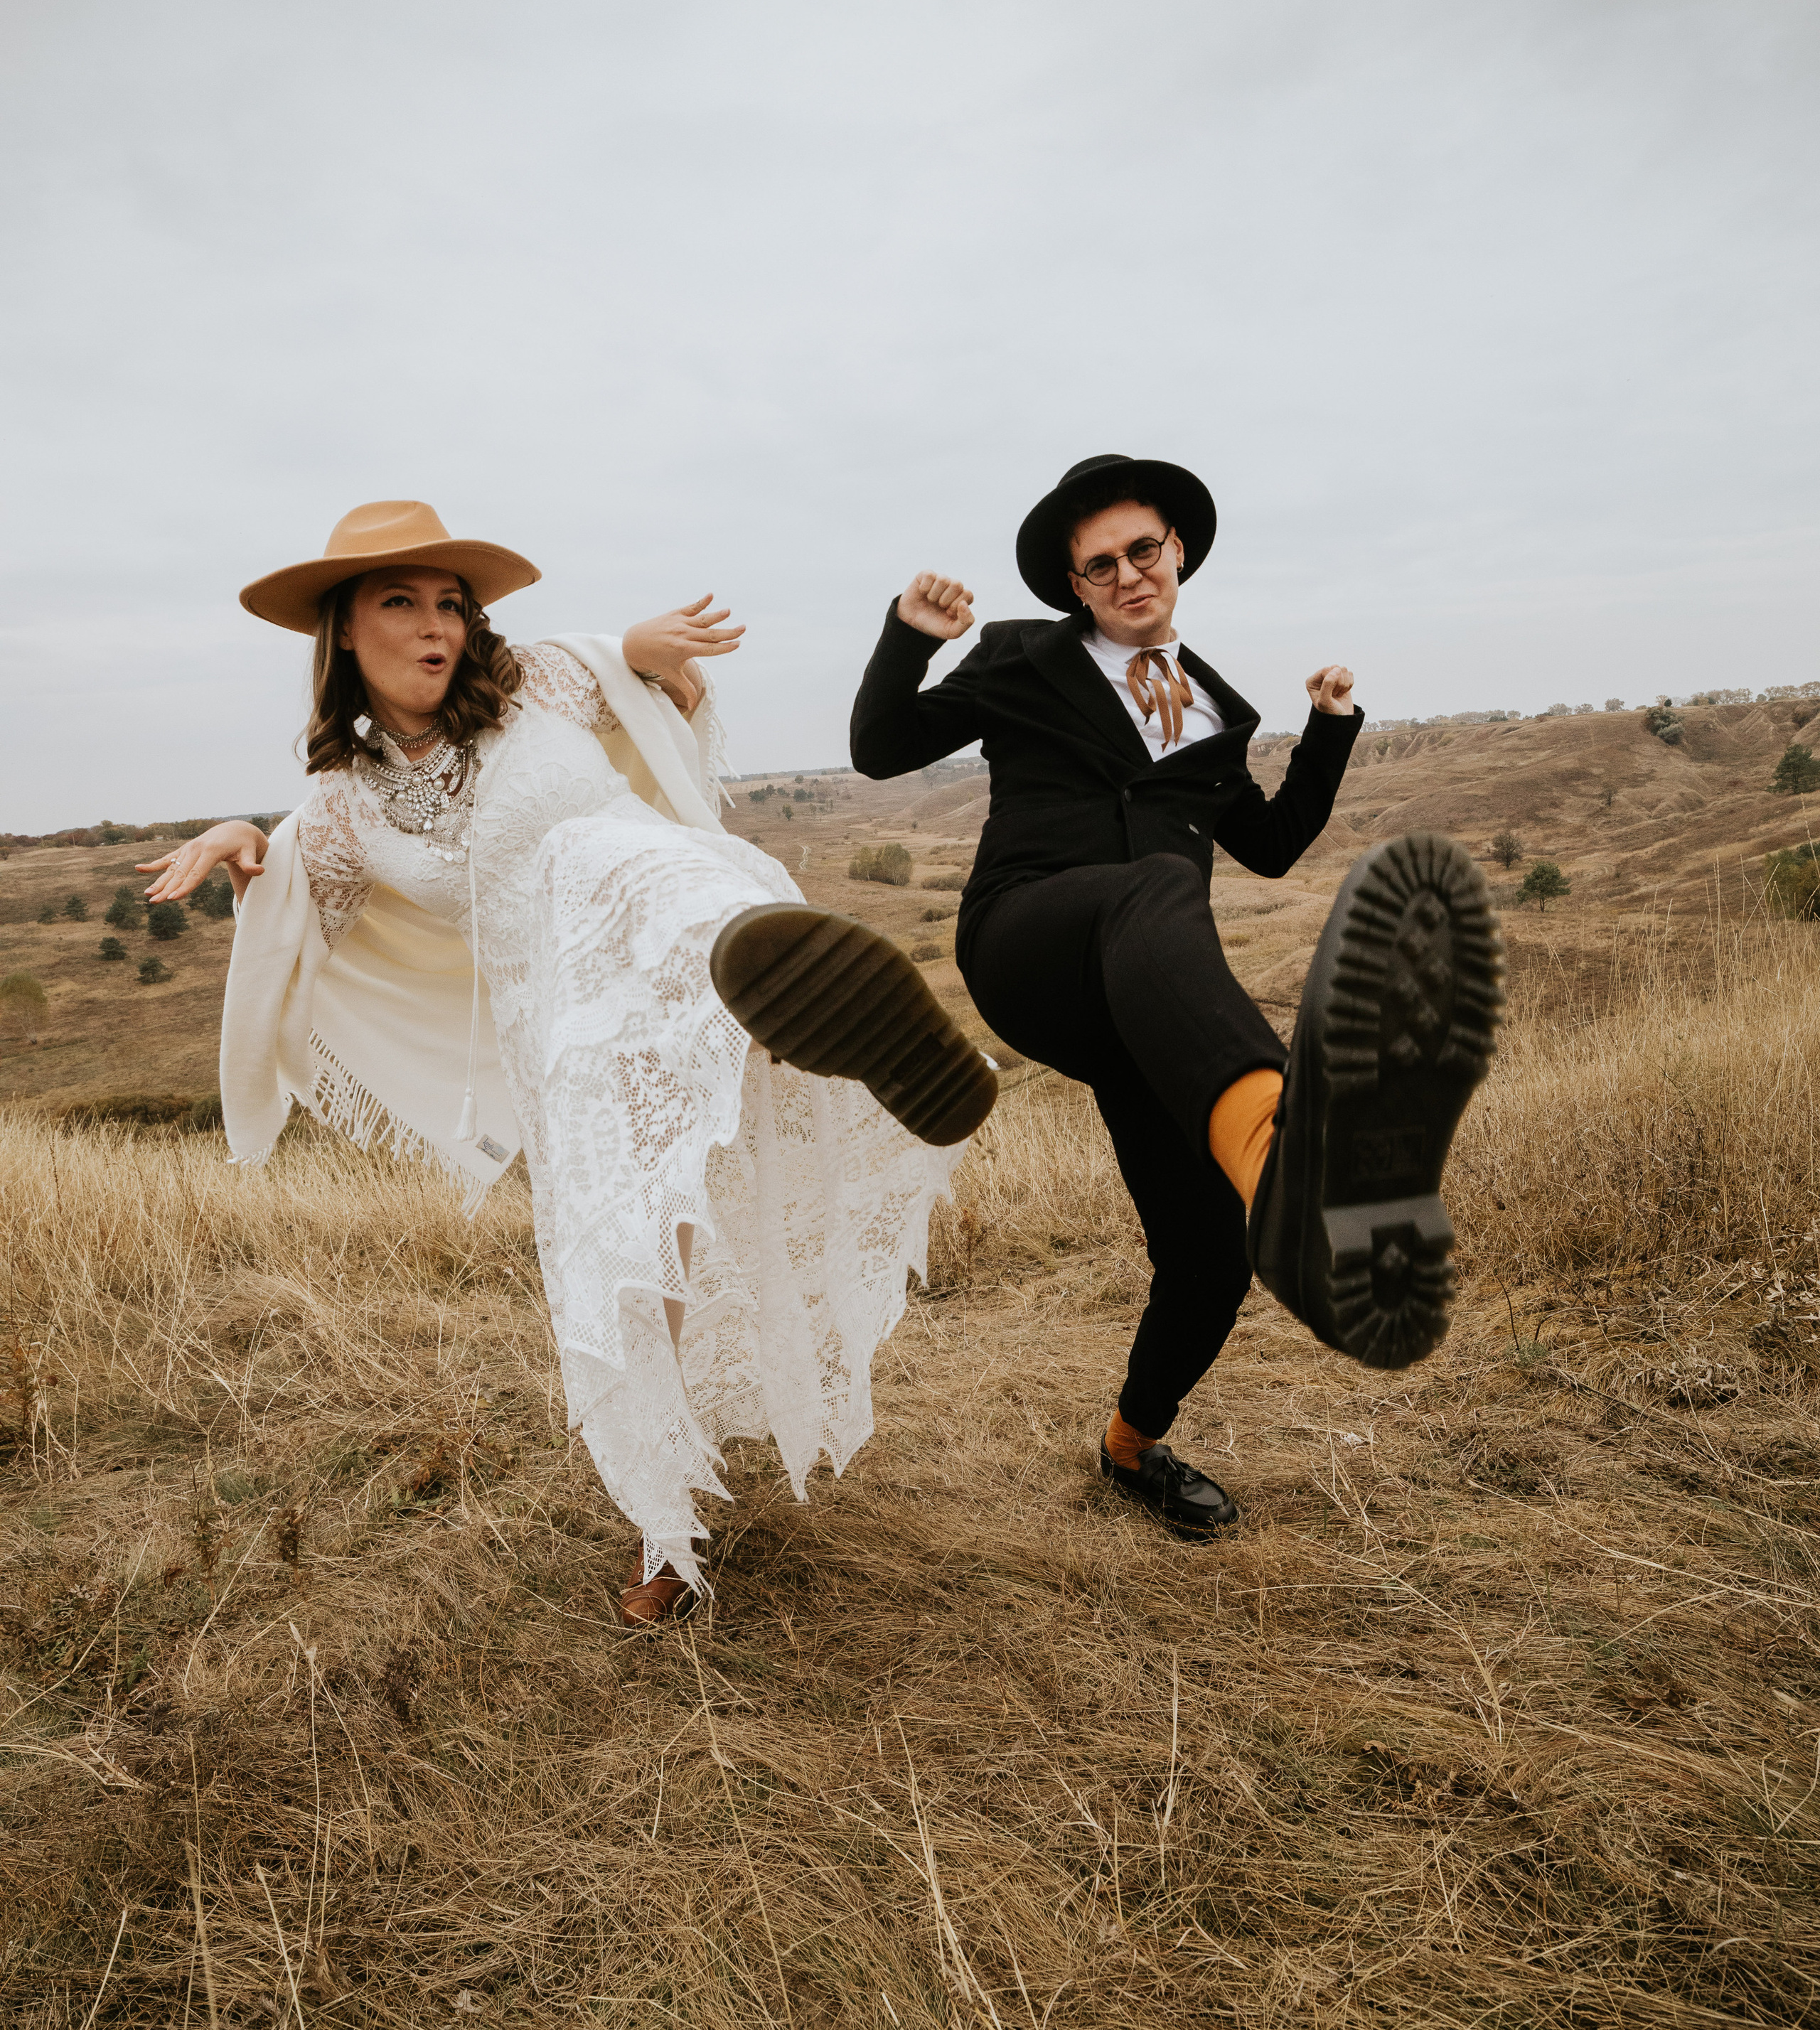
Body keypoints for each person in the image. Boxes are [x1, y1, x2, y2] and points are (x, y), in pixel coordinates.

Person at [141, 499, 990, 1624]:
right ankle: (664, 1531)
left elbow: (640, 678)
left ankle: (771, 984)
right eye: (402, 602)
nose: (437, 625)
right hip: (575, 1048)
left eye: (451, 602)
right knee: (635, 1267)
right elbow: (309, 913)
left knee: (600, 850)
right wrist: (257, 853)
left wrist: (663, 664)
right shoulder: (339, 810)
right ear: (343, 629)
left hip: (682, 938)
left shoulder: (540, 678)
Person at [818, 454, 1504, 1535]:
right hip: (1030, 939)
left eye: (1144, 550)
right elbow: (878, 748)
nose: (1129, 574)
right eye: (1101, 566)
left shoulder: (1217, 710)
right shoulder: (1017, 659)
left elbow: (1271, 847)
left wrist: (1327, 727)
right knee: (1153, 887)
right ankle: (1292, 1139)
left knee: (1209, 1254)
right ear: (1077, 588)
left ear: (1176, 550)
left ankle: (1133, 1443)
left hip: (1147, 1002)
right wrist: (910, 633)